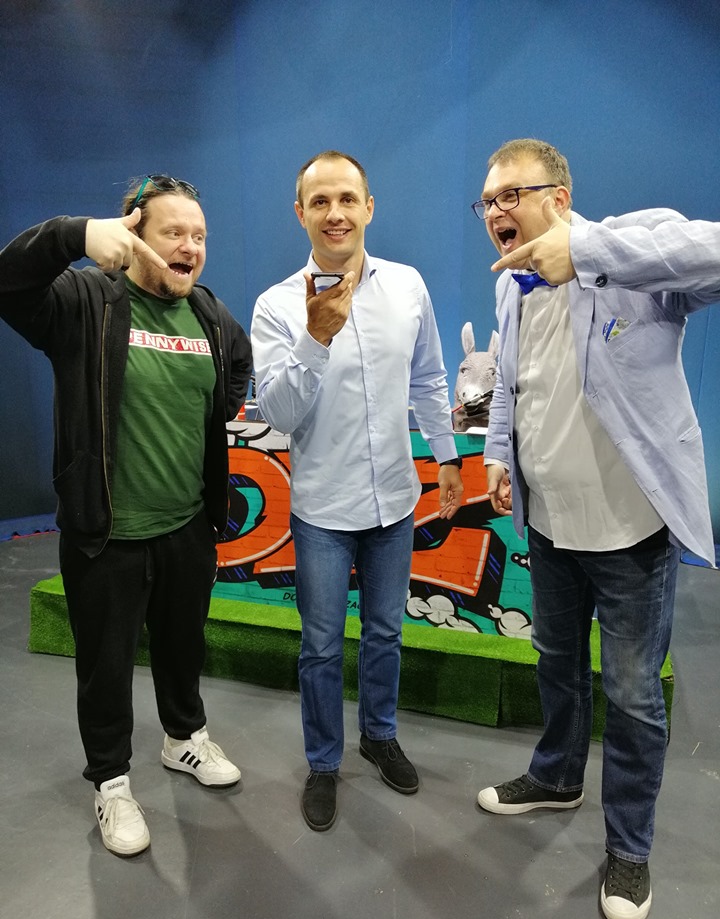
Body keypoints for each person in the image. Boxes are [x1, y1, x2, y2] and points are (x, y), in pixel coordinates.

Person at [473, 138, 719, 919]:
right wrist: (497, 453)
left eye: (513, 194)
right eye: (488, 200)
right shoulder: (511, 288)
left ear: (560, 197)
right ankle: (556, 777)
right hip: (548, 527)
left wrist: (586, 252)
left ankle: (630, 846)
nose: (497, 210)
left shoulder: (629, 254)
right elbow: (511, 385)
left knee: (634, 696)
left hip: (631, 536)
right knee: (557, 667)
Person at [0, 175, 253, 856]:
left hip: (187, 527)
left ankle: (183, 739)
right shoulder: (85, 302)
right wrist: (75, 235)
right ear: (132, 232)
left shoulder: (208, 313)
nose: (191, 247)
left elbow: (237, 368)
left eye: (200, 236)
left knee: (182, 646)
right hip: (106, 533)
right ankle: (111, 782)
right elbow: (8, 281)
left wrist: (217, 417)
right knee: (105, 667)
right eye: (175, 232)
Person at [251, 150, 463, 831]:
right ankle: (323, 761)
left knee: (385, 632)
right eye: (320, 201)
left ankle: (379, 735)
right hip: (322, 509)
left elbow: (429, 379)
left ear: (369, 206)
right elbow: (278, 414)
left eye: (347, 198)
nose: (335, 213)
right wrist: (315, 338)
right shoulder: (276, 307)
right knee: (320, 645)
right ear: (301, 214)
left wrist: (446, 455)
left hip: (394, 502)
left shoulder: (407, 287)